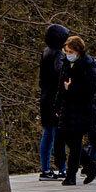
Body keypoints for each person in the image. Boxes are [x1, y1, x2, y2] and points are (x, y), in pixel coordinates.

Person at [58, 35, 96, 186]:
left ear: (78, 51)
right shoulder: (66, 63)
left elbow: (92, 89)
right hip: (69, 107)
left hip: (82, 109)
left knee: (75, 141)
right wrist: (58, 106)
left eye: (70, 51)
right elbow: (61, 86)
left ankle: (71, 175)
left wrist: (71, 88)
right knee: (70, 140)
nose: (68, 54)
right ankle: (91, 167)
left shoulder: (88, 65)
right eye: (66, 51)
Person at [38, 24, 69, 181]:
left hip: (45, 98)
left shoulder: (45, 52)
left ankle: (45, 169)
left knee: (48, 134)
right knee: (58, 136)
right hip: (55, 99)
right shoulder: (57, 54)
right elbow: (59, 74)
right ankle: (62, 168)